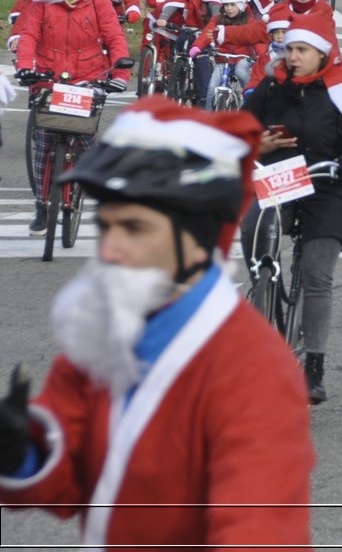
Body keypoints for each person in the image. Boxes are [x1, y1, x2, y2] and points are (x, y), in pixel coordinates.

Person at [0, 98, 313, 547]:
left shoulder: (254, 369)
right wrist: (19, 450)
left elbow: (257, 529)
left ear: (197, 239)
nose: (110, 250)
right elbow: (70, 478)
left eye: (135, 229)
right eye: (105, 227)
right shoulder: (106, 330)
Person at [241, 9, 342, 402]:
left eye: (301, 49)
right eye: (288, 50)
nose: (292, 57)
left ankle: (313, 367)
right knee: (254, 229)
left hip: (326, 182)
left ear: (322, 53)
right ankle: (265, 288)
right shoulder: (272, 87)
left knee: (317, 273)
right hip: (280, 178)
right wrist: (256, 144)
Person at [14, 0, 132, 235]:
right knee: (43, 141)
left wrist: (120, 73)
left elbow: (114, 37)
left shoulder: (98, 1)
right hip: (49, 75)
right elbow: (29, 35)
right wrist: (25, 66)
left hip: (87, 76)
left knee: (85, 140)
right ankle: (42, 205)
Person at [189, 0, 268, 109]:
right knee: (211, 88)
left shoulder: (250, 21)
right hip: (223, 60)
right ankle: (209, 119)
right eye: (226, 5)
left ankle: (251, 95)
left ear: (242, 5)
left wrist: (262, 54)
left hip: (242, 59)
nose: (229, 8)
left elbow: (257, 39)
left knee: (241, 72)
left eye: (233, 5)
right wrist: (197, 47)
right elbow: (207, 34)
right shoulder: (217, 20)